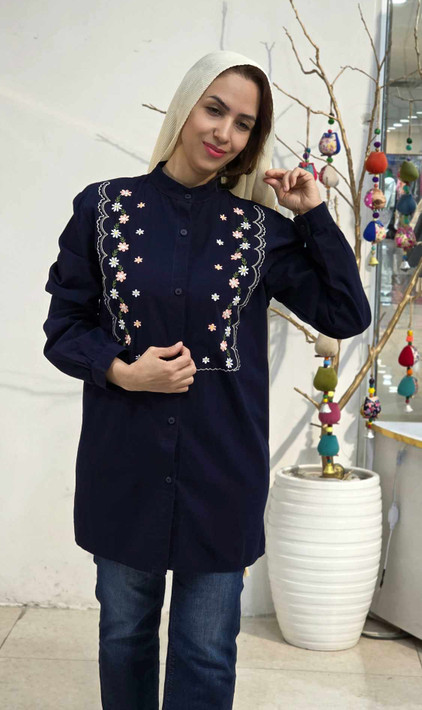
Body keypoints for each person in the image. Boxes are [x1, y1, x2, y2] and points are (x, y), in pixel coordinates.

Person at [42, 50, 372, 710]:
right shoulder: (104, 208)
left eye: (244, 124)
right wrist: (122, 370)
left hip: (221, 476)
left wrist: (311, 214)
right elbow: (64, 326)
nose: (224, 132)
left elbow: (346, 314)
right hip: (125, 468)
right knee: (125, 638)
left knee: (206, 651)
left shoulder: (260, 231)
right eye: (214, 110)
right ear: (184, 106)